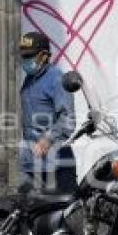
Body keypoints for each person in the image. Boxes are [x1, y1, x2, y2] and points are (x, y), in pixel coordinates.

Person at [18, 31, 77, 194]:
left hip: (57, 164)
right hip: (32, 163)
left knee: (61, 215)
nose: (25, 60)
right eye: (23, 56)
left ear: (44, 55)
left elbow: (68, 118)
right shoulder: (30, 78)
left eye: (30, 56)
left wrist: (47, 140)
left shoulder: (57, 78)